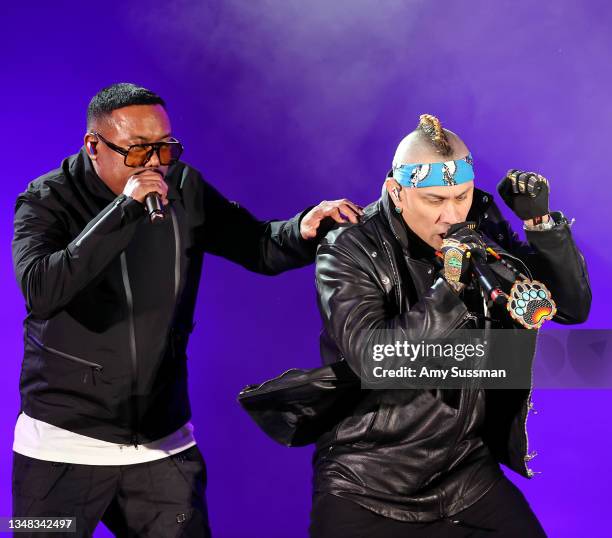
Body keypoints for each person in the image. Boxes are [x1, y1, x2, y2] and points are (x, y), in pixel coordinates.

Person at [11, 82, 363, 537]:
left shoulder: (185, 187)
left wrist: (304, 229)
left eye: (165, 147)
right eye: (138, 151)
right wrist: (123, 210)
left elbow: (258, 246)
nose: (155, 163)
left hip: (162, 443)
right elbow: (42, 289)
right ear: (94, 146)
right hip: (60, 449)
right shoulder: (45, 200)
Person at [308, 114, 591, 537]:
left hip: (464, 471)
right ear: (397, 193)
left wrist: (541, 227)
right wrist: (450, 286)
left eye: (461, 196)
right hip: (369, 479)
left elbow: (570, 308)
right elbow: (375, 360)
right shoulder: (349, 249)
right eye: (435, 201)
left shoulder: (478, 221)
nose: (452, 214)